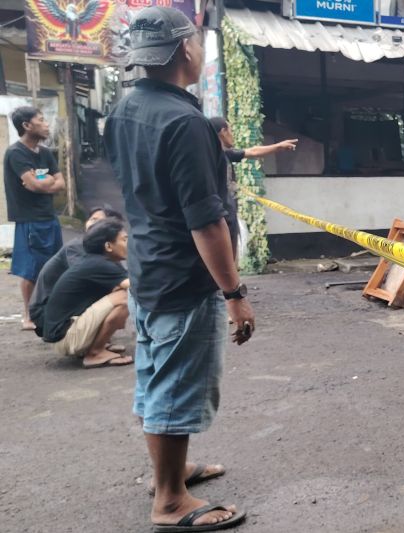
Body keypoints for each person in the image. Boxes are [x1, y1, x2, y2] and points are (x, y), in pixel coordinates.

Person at [104, 6, 252, 532]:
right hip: (185, 277)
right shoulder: (185, 121)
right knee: (176, 384)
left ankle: (172, 472)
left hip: (148, 267)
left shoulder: (123, 111)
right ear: (186, 49)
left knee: (155, 376)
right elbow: (206, 222)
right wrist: (233, 292)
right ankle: (170, 500)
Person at [3, 106, 65, 331]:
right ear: (27, 126)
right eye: (41, 120)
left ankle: (48, 309)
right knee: (31, 269)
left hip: (50, 217)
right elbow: (34, 184)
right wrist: (46, 182)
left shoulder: (45, 153)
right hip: (29, 219)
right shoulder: (16, 153)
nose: (46, 124)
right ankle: (27, 315)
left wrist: (43, 183)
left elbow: (60, 183)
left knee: (53, 265)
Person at [41, 218, 133, 368]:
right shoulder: (100, 264)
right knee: (125, 297)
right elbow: (136, 286)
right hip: (66, 338)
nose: (128, 244)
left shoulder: (95, 261)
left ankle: (97, 346)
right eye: (124, 240)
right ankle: (95, 353)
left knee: (120, 293)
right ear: (109, 246)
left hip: (64, 334)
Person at [207, 116, 297, 258]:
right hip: (221, 215)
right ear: (223, 131)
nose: (233, 134)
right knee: (226, 257)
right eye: (231, 130)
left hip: (224, 213)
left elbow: (253, 151)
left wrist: (278, 147)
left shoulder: (224, 154)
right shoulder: (213, 157)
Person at [29, 206, 124, 336]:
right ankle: (94, 348)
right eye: (92, 219)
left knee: (115, 289)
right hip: (45, 313)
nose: (93, 223)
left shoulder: (101, 252)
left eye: (100, 221)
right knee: (118, 294)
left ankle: (96, 342)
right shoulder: (78, 247)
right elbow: (91, 280)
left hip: (60, 311)